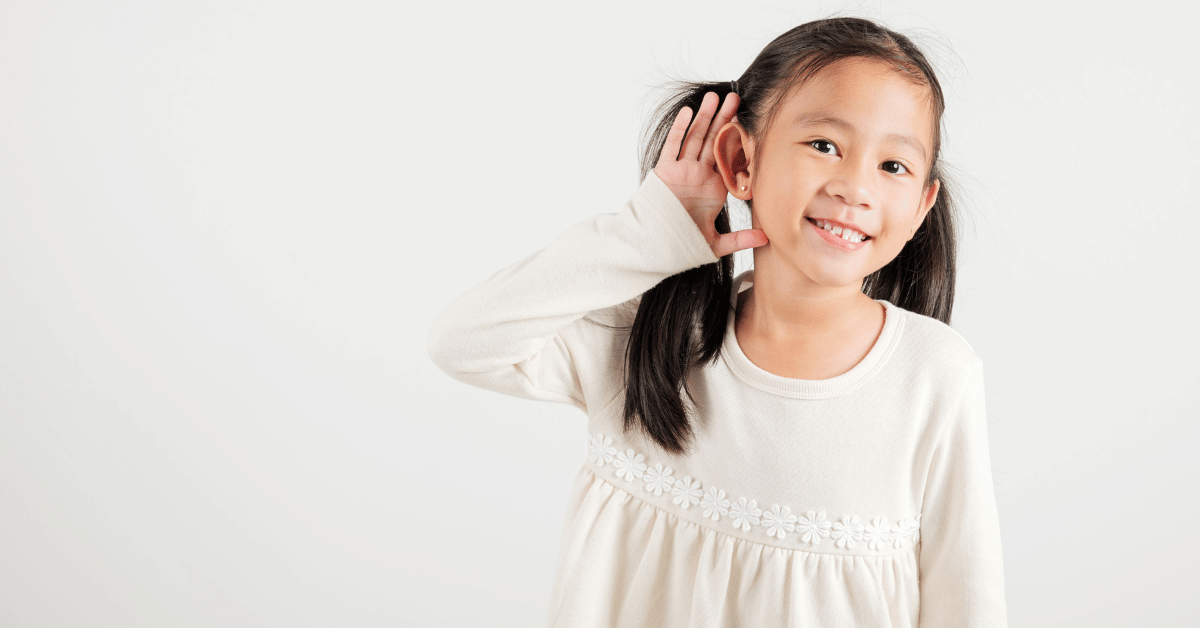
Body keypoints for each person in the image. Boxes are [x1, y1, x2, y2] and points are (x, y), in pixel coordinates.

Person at [428, 16, 1007, 628]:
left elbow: (966, 600)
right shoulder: (652, 337)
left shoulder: (934, 375)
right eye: (824, 145)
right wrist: (645, 236)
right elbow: (463, 342)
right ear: (740, 160)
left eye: (893, 166)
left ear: (921, 206)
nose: (855, 187)